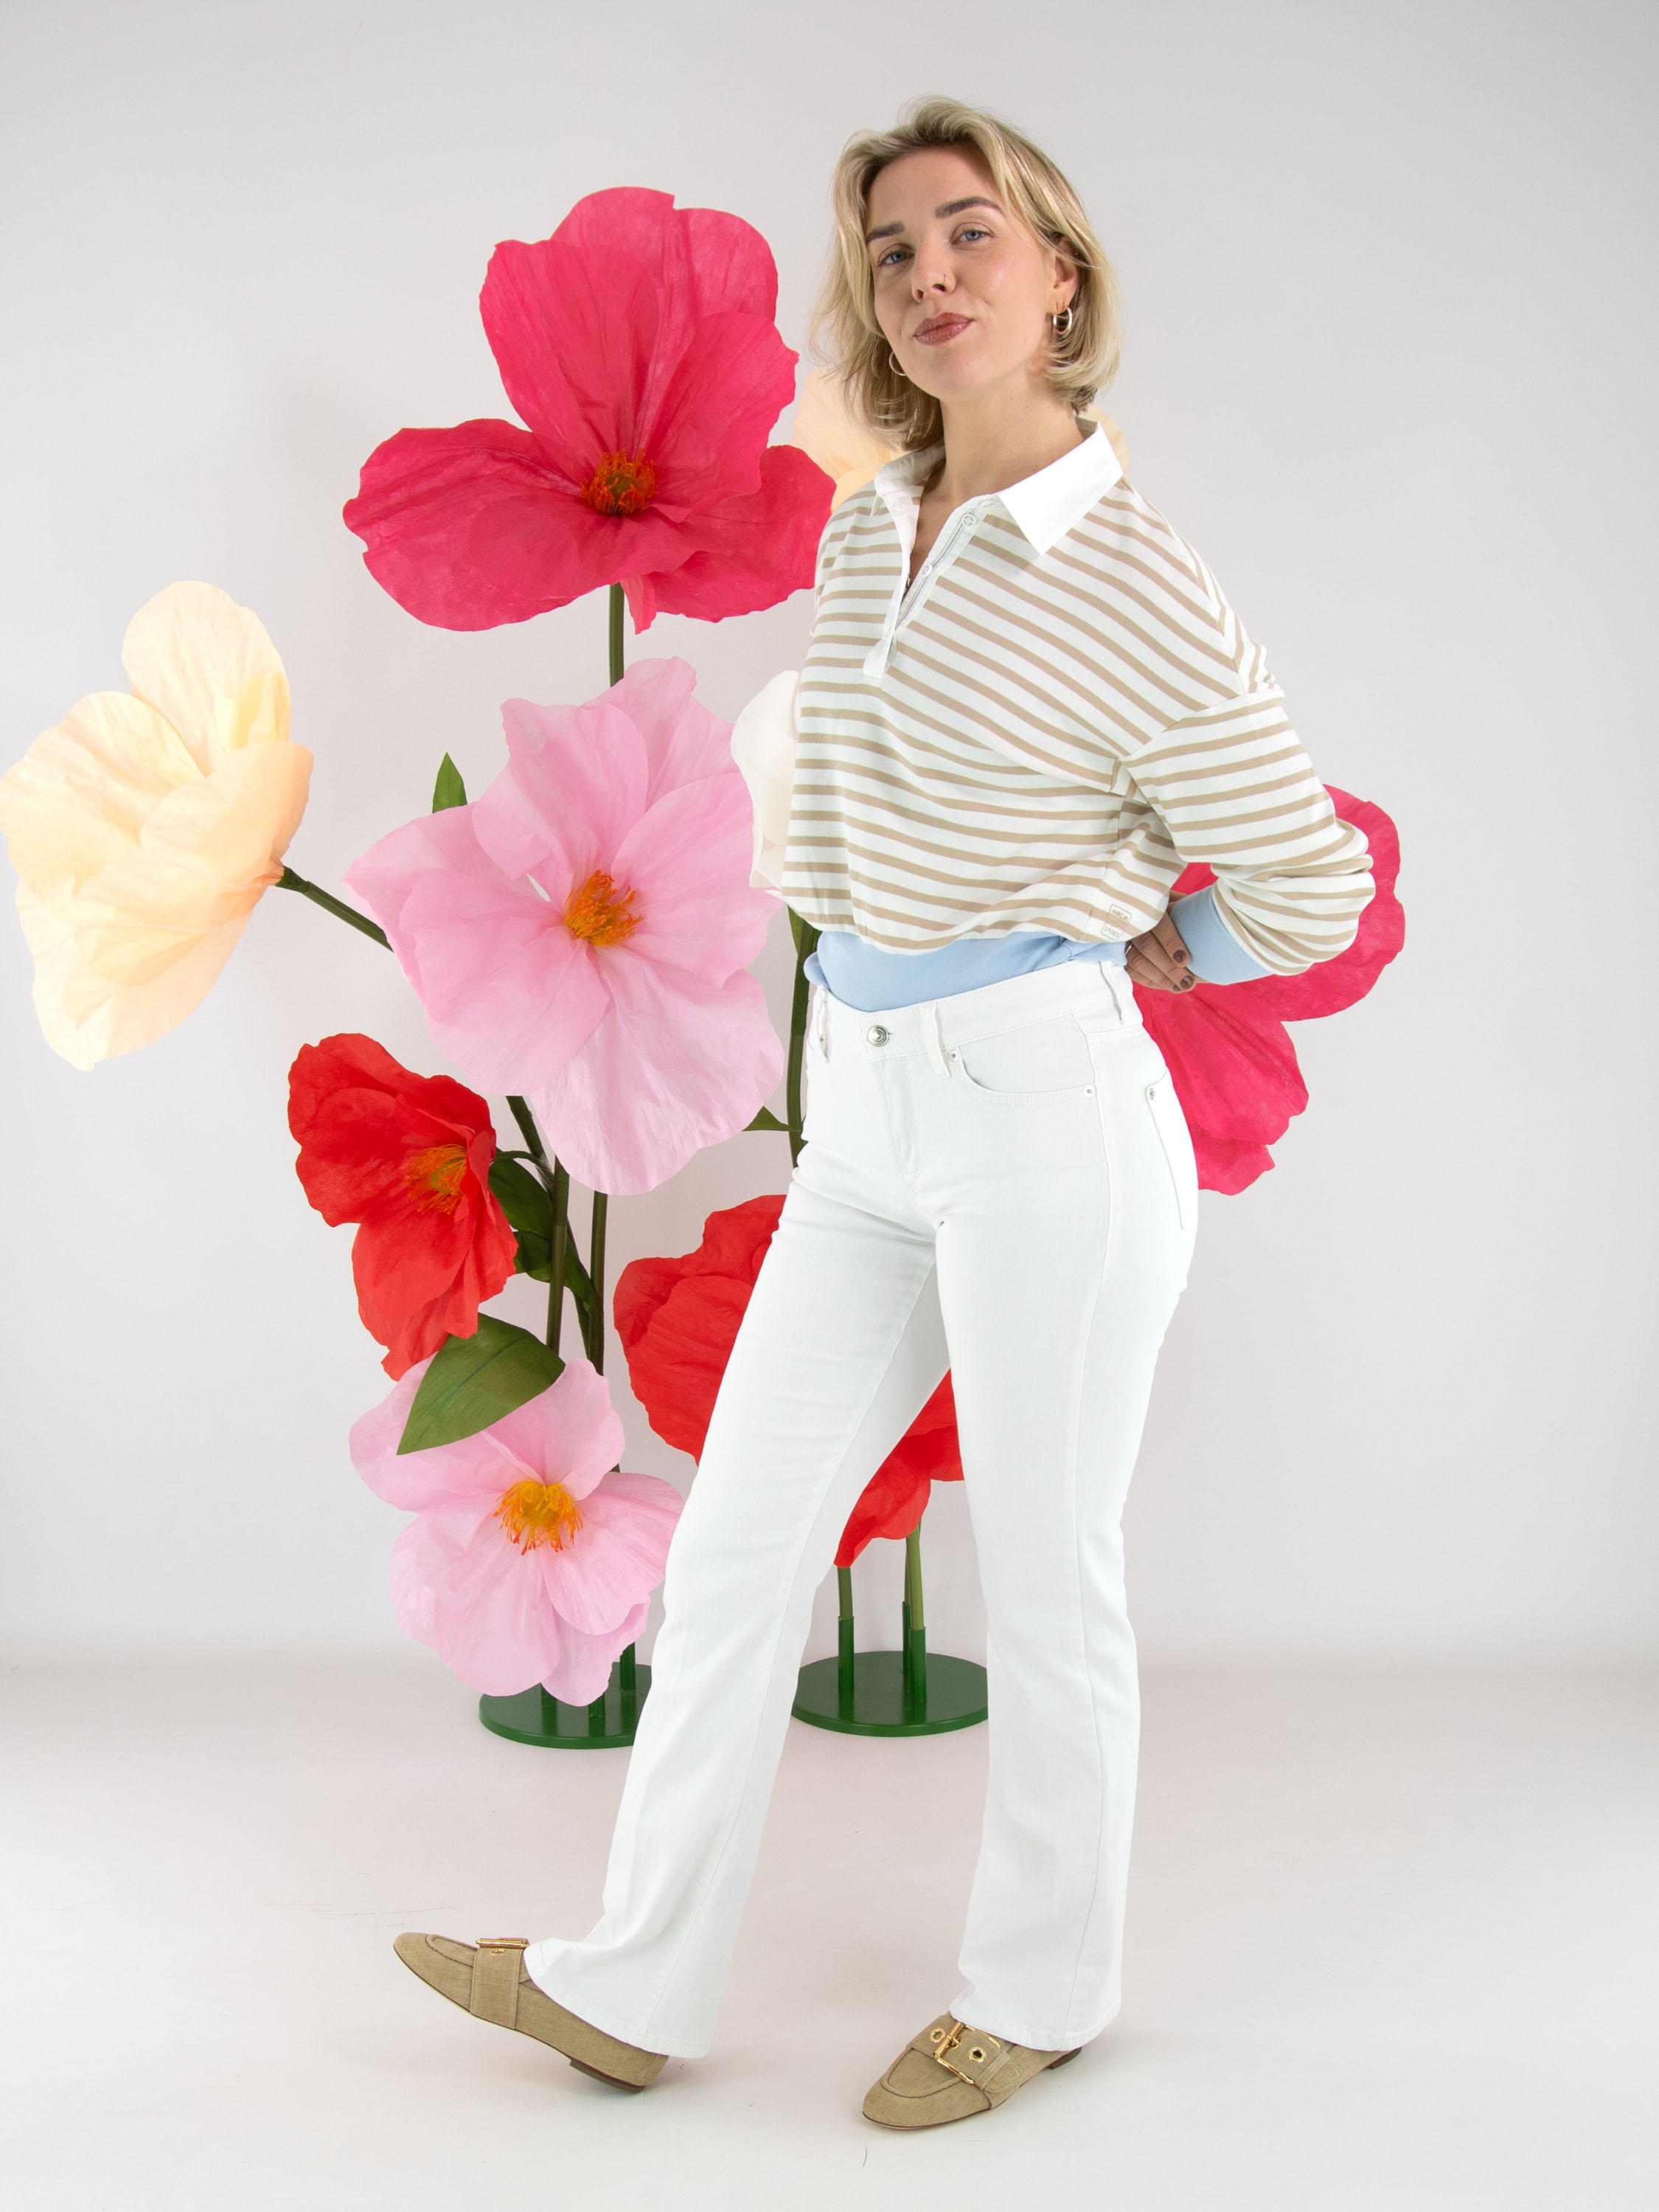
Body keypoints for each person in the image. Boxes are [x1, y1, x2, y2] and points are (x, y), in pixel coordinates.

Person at [392, 96, 1374, 2130]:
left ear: (1060, 275)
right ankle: (628, 1982)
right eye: (896, 250)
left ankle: (1037, 1994)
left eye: (970, 233)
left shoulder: (1136, 575)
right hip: (861, 1115)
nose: (931, 276)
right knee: (740, 1551)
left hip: (1046, 1119)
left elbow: (1314, 877)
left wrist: (1161, 939)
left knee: (1048, 1575)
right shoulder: (869, 527)